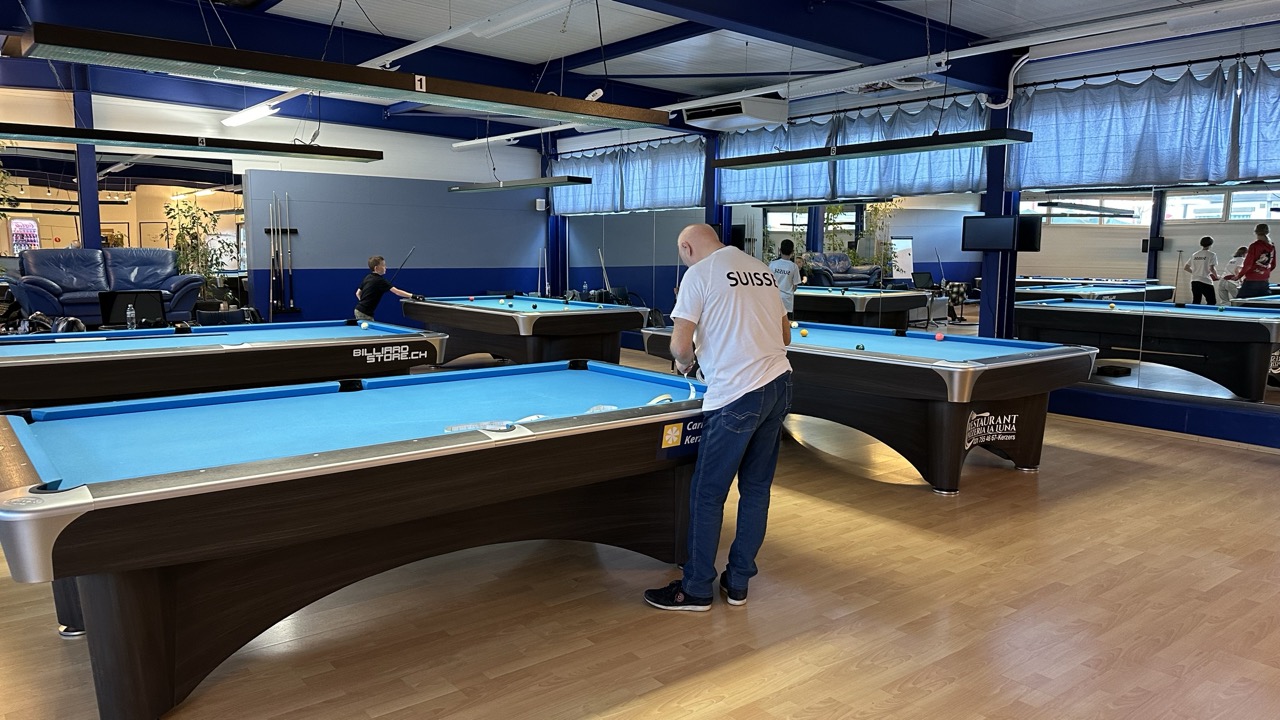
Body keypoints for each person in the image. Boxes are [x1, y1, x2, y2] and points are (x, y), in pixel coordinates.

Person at [644, 224, 792, 612]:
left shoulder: (699, 274)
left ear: (687, 246)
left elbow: (679, 346)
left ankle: (695, 588)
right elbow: (785, 336)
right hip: (779, 385)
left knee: (707, 494)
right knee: (756, 489)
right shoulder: (760, 269)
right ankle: (738, 582)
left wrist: (686, 363)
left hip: (736, 395)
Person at [354, 255, 421, 321]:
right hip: (364, 313)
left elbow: (357, 293)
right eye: (383, 265)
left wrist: (362, 303)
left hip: (358, 309)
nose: (385, 267)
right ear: (376, 268)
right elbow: (397, 292)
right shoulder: (380, 280)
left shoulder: (368, 277)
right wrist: (413, 296)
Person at [1237, 224, 1276, 299]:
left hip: (1251, 280)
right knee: (1262, 302)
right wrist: (1264, 272)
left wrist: (1238, 276)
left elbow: (1248, 264)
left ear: (1255, 232)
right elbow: (1273, 264)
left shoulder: (1254, 246)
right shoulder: (1272, 246)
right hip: (1264, 280)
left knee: (1241, 301)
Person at [768, 239, 801, 318]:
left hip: (773, 299)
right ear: (792, 252)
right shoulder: (794, 267)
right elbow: (795, 286)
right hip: (787, 301)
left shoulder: (772, 264)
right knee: (787, 323)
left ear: (780, 250)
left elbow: (768, 282)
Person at [1183, 236, 1219, 305]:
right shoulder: (1212, 255)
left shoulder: (1195, 254)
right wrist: (1216, 276)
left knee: (1196, 300)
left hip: (1194, 281)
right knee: (1211, 301)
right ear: (1211, 244)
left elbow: (1186, 267)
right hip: (1205, 281)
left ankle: (1193, 311)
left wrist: (1195, 273)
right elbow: (1211, 268)